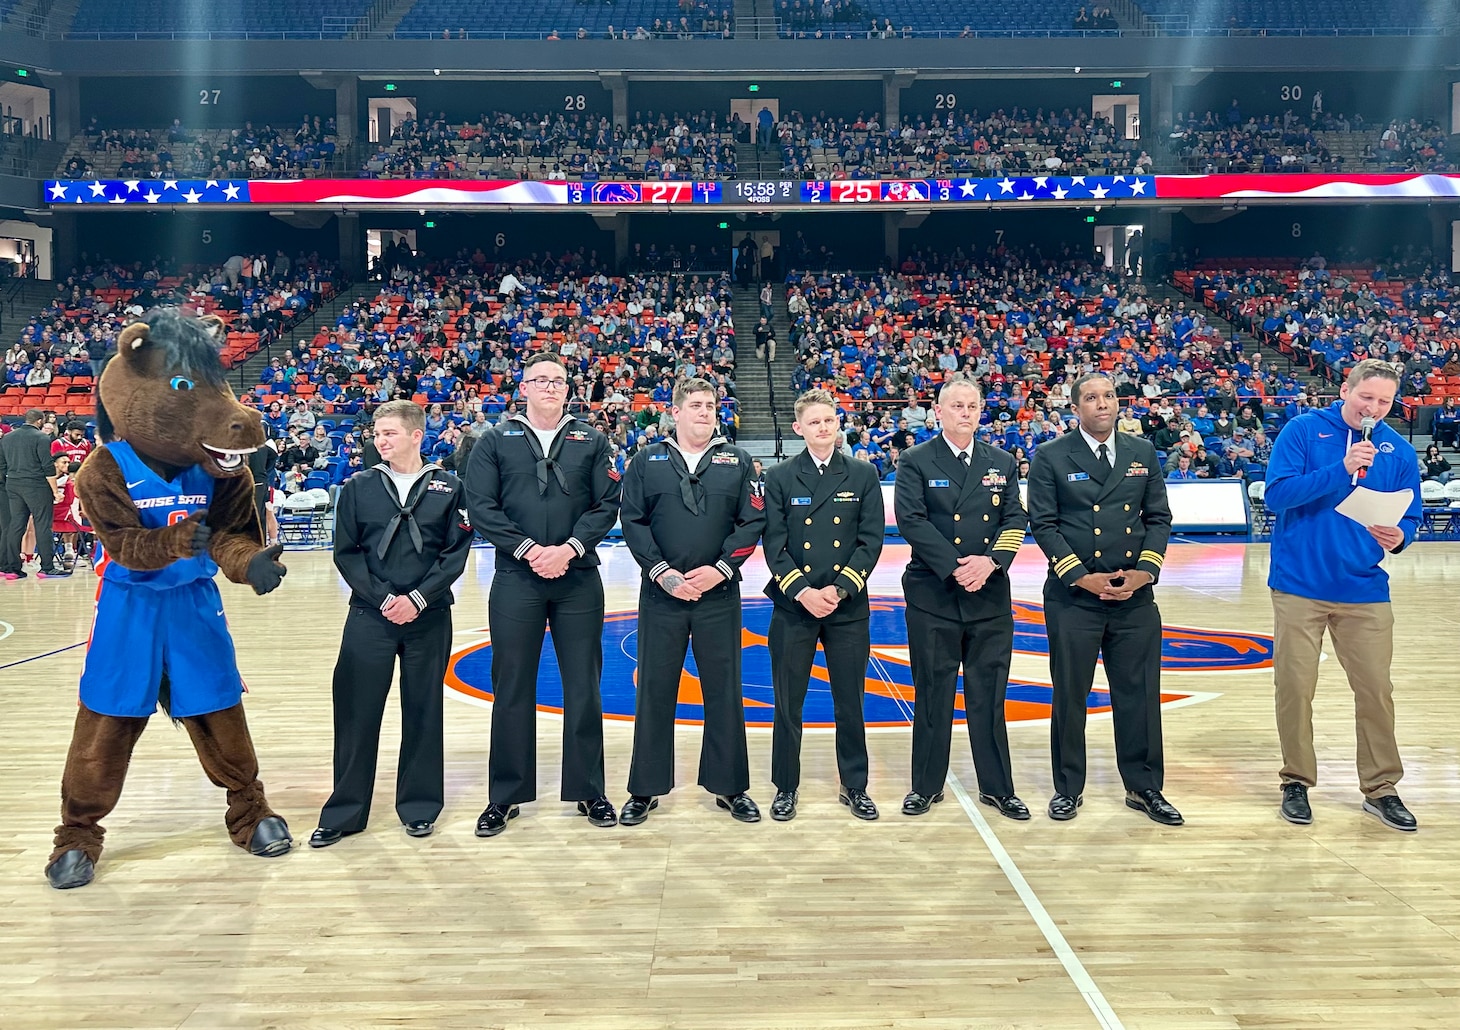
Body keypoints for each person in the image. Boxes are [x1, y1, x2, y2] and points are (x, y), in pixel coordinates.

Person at [463, 352, 622, 836]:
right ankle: (505, 796)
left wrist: (569, 549)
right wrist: (531, 550)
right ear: (524, 386)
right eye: (540, 380)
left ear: (568, 389)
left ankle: (589, 790)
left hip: (578, 578)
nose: (550, 387)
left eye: (558, 380)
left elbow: (607, 503)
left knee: (584, 686)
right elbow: (481, 506)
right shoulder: (493, 441)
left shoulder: (592, 441)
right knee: (511, 685)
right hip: (517, 577)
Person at [1264, 359, 1422, 831]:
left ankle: (1381, 788)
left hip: (1364, 587)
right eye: (1366, 397)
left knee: (1376, 690)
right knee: (1295, 687)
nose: (1373, 408)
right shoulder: (1303, 430)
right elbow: (1277, 496)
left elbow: (1409, 513)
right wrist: (1341, 469)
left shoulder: (1398, 450)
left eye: (1384, 401)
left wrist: (1403, 535)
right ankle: (1296, 780)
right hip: (1300, 584)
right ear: (1345, 389)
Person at [309, 401, 474, 848]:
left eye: (389, 433)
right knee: (356, 711)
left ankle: (419, 807)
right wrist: (384, 598)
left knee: (423, 711)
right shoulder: (359, 486)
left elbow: (455, 553)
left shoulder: (449, 486)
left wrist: (418, 598)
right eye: (377, 434)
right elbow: (346, 552)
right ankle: (344, 811)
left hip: (430, 614)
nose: (380, 441)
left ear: (416, 436)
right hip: (370, 614)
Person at [1026, 373, 1181, 825]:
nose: (1102, 404)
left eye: (1109, 396)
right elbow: (1044, 524)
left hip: (1134, 596)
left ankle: (1145, 787)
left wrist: (1146, 571)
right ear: (1076, 407)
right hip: (1073, 598)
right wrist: (1080, 576)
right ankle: (1068, 788)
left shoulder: (1142, 452)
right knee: (1070, 696)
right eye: (1091, 398)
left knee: (1139, 694)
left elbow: (1159, 517)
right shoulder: (1050, 456)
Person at [617, 378, 767, 825]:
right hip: (661, 594)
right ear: (675, 411)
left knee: (724, 691)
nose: (704, 412)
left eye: (711, 405)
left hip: (718, 593)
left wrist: (720, 568)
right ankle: (644, 790)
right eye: (696, 405)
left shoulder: (738, 462)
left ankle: (731, 787)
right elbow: (632, 520)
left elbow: (752, 519)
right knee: (655, 692)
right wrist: (661, 571)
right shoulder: (647, 461)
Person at [893, 376, 1030, 819]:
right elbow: (912, 521)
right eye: (956, 405)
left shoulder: (1003, 461)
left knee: (989, 695)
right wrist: (956, 565)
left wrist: (990, 562)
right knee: (932, 694)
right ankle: (926, 786)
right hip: (934, 593)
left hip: (989, 594)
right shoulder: (915, 460)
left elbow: (1015, 520)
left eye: (972, 405)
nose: (965, 413)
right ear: (938, 410)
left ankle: (998, 787)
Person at [761, 388, 884, 821]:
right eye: (814, 422)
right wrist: (803, 592)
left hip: (846, 606)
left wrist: (839, 589)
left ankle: (855, 785)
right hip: (795, 606)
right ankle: (785, 787)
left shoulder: (863, 474)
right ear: (799, 429)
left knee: (850, 701)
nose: (823, 428)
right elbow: (773, 545)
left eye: (829, 420)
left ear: (839, 423)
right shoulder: (778, 477)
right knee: (788, 702)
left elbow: (871, 542)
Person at [0, 408, 69, 579]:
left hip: (13, 484)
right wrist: (55, 491)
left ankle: (11, 568)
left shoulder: (7, 437)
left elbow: (3, 465)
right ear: (39, 421)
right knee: (43, 525)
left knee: (15, 525)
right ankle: (47, 567)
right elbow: (47, 466)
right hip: (36, 485)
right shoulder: (42, 437)